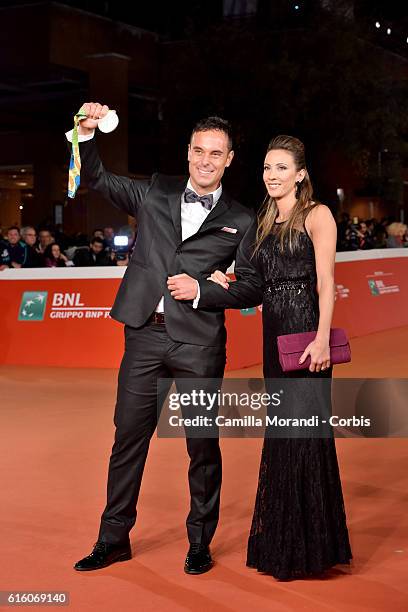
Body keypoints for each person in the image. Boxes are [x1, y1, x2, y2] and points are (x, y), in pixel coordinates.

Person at [66, 102, 262, 574]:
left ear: (230, 159)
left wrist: (204, 292)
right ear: (188, 152)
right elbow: (98, 179)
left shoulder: (243, 218)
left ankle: (199, 542)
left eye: (216, 153)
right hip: (144, 337)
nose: (205, 160)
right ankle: (113, 539)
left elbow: (253, 286)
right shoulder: (154, 190)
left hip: (199, 343)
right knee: (128, 439)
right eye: (199, 151)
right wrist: (86, 133)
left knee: (201, 445)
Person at [178, 135, 352, 580]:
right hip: (273, 335)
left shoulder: (317, 215)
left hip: (304, 333)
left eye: (280, 168)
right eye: (267, 169)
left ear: (300, 173)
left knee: (305, 436)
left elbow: (327, 283)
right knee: (282, 437)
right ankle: (284, 543)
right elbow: (255, 279)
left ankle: (312, 548)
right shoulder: (266, 218)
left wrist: (320, 339)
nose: (272, 176)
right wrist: (226, 277)